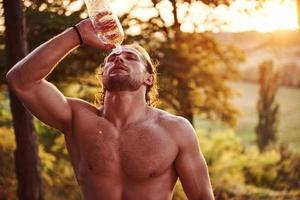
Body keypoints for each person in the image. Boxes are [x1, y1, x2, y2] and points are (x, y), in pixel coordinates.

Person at [6, 18, 214, 200]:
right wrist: (78, 33)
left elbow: (203, 196)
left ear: (149, 78)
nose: (119, 58)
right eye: (111, 59)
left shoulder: (175, 130)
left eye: (130, 57)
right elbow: (21, 80)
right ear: (102, 77)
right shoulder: (77, 119)